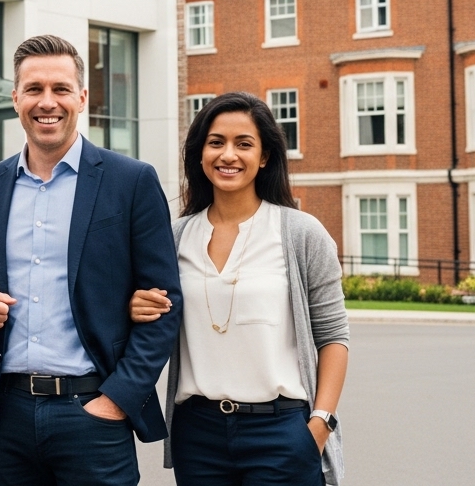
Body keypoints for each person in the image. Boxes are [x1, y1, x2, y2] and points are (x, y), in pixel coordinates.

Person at [0, 34, 182, 486]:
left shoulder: (131, 181)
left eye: (60, 89)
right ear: (16, 99)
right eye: (33, 89)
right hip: (5, 415)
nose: (46, 102)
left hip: (92, 412)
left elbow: (165, 303)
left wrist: (117, 400)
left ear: (82, 97)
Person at [128, 91, 349, 485]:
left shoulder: (301, 233)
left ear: (264, 157)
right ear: (199, 153)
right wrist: (136, 307)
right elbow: (153, 313)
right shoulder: (174, 237)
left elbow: (333, 336)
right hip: (198, 433)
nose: (228, 155)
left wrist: (320, 424)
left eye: (243, 144)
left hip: (282, 431)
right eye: (216, 143)